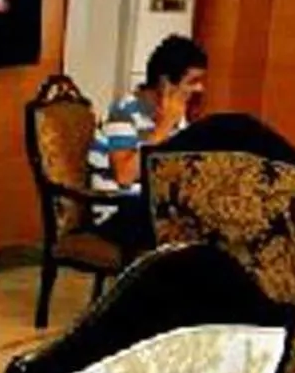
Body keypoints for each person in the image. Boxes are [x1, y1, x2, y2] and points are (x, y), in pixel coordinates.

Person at [86, 35, 208, 255]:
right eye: (192, 81)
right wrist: (162, 129)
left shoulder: (178, 115)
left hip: (156, 205)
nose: (199, 89)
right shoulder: (124, 113)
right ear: (165, 83)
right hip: (118, 211)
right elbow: (125, 174)